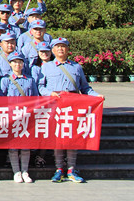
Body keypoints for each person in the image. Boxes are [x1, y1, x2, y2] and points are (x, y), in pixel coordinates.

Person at [38, 37, 101, 183]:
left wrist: (96, 96)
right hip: (55, 106)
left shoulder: (76, 67)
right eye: (57, 47)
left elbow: (85, 88)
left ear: (68, 50)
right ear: (53, 50)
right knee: (58, 138)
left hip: (73, 106)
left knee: (72, 138)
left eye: (63, 46)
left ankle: (72, 169)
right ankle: (59, 169)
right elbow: (40, 86)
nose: (60, 49)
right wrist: (50, 93)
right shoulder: (46, 67)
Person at [0, 50, 38, 183]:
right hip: (12, 116)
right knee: (13, 146)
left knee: (26, 145)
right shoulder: (5, 80)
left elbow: (35, 98)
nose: (17, 65)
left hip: (26, 116)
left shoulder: (30, 80)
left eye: (20, 62)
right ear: (10, 64)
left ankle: (25, 171)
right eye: (15, 62)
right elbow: (1, 99)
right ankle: (16, 171)